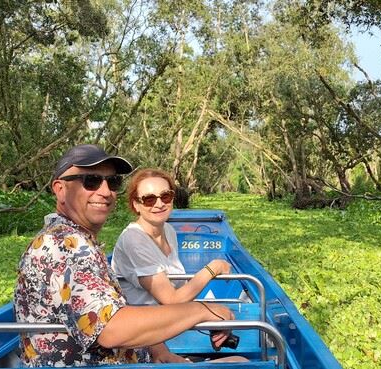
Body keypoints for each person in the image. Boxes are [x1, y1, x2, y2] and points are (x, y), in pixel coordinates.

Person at [14, 145, 236, 367]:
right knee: (239, 362)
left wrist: (155, 348)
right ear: (60, 189)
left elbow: (108, 311)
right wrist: (202, 310)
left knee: (235, 361)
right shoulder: (64, 245)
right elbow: (111, 329)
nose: (105, 191)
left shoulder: (73, 238)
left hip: (129, 357)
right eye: (91, 181)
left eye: (112, 182)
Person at [111, 168, 231, 306]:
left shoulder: (168, 231)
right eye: (149, 199)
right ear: (136, 205)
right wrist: (214, 268)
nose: (160, 204)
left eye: (165, 196)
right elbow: (171, 300)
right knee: (220, 315)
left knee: (221, 314)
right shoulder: (134, 239)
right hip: (146, 321)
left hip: (169, 315)